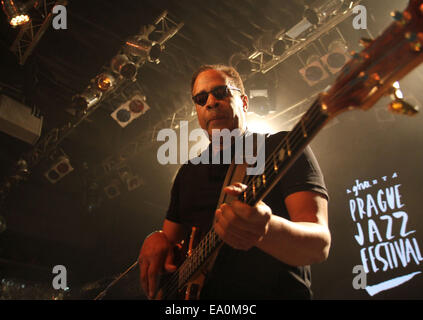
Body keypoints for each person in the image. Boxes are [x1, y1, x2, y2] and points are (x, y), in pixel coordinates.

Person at [138, 64, 331, 300]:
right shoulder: (187, 173)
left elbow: (319, 245)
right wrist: (155, 238)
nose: (210, 102)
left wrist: (266, 229)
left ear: (245, 102)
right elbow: (169, 243)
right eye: (201, 98)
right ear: (197, 111)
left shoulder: (281, 147)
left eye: (221, 93)